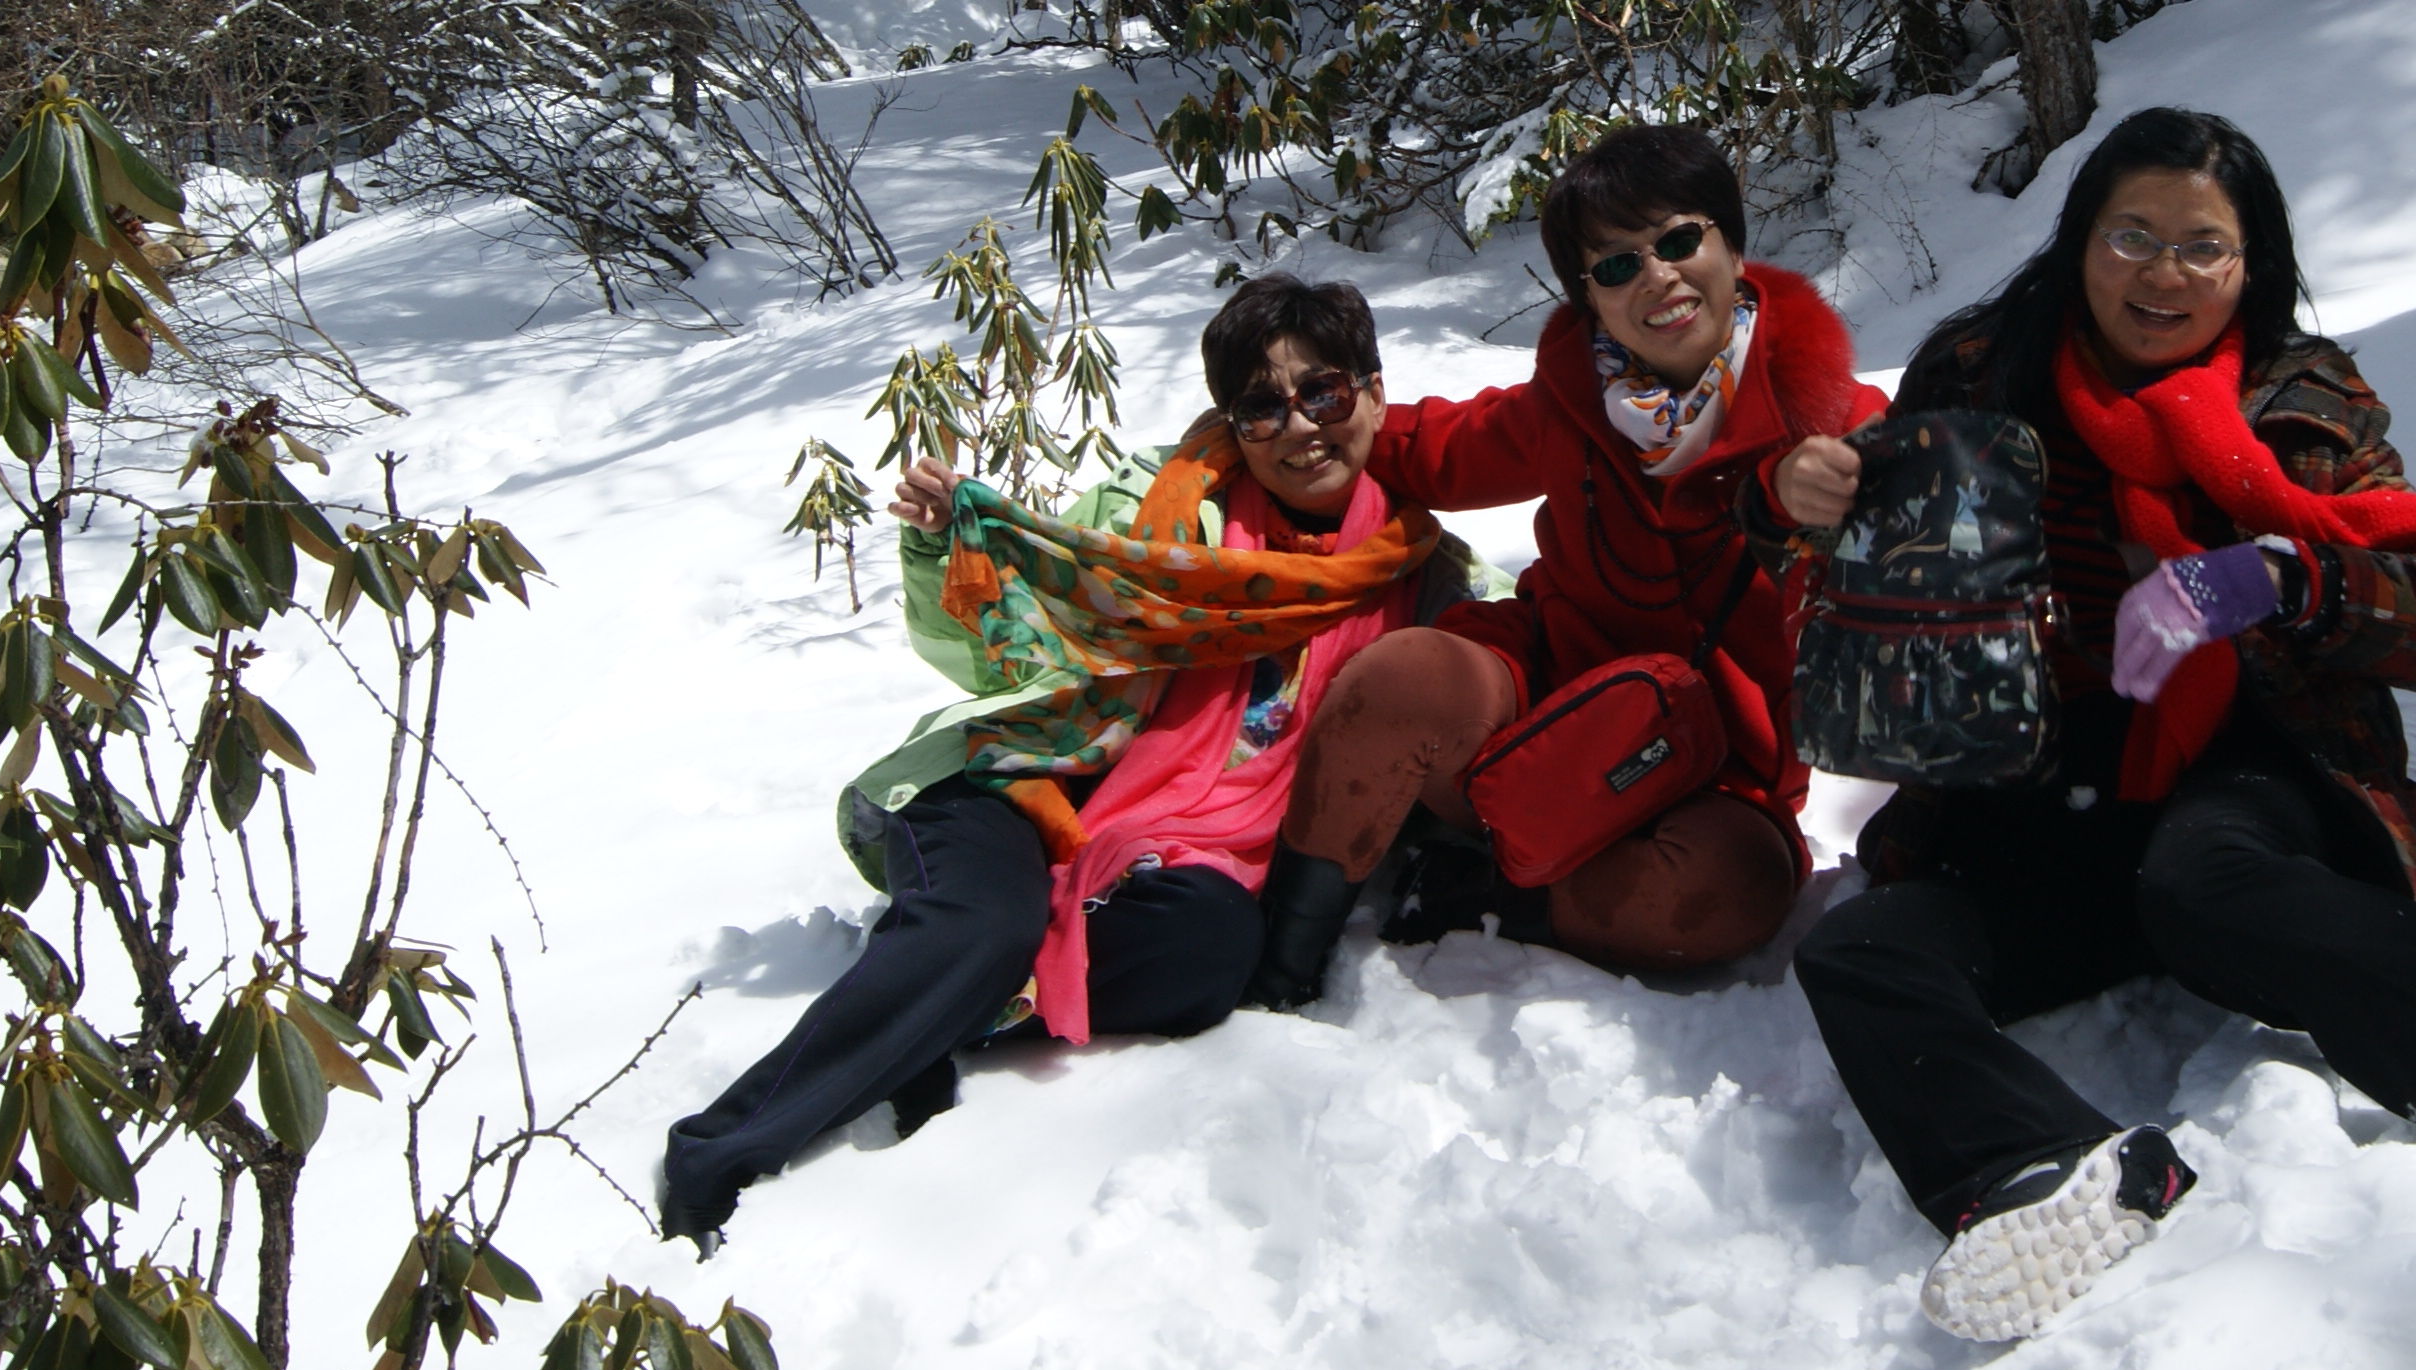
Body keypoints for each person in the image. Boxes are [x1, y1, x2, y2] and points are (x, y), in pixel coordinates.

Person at [1791, 106, 2416, 1341]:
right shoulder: (1981, 371)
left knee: (2206, 883)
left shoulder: (2297, 396)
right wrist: (1806, 499)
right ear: (2081, 237)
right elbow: (1880, 538)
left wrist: (2281, 579)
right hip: (2040, 784)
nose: (2162, 271)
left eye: (2203, 246)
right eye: (2132, 233)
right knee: (1862, 949)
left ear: (2251, 266)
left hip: (2258, 761)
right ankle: (2050, 1171)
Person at [655, 273, 1459, 1246]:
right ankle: (717, 1150)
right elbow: (996, 646)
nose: (1298, 425)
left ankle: (938, 997)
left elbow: (1493, 667)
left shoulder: (1426, 571)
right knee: (986, 920)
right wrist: (944, 546)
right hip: (1020, 778)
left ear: (1372, 390)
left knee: (1210, 952)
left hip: (1189, 857)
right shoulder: (1158, 511)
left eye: (1322, 391)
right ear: (1231, 422)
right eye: (1260, 404)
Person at [1243, 122, 1883, 997]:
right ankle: (1281, 956)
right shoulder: (1576, 397)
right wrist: (1298, 433)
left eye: (1679, 240)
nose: (1656, 276)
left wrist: (1815, 508)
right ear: (1590, 295)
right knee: (1404, 680)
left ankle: (1483, 889)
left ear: (1732, 244)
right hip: (1544, 690)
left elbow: (1914, 594)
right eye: (1616, 265)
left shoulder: (1842, 427)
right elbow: (1441, 447)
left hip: (1710, 769)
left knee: (1728, 893)